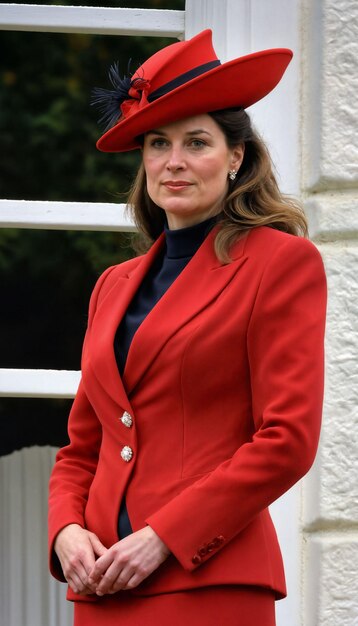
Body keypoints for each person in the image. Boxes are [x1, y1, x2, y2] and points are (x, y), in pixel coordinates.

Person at [48, 29, 327, 626]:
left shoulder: (280, 263)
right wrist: (67, 532)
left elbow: (287, 440)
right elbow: (83, 447)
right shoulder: (113, 287)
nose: (173, 162)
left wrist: (164, 535)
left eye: (196, 142)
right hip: (101, 589)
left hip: (207, 585)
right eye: (157, 143)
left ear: (236, 158)